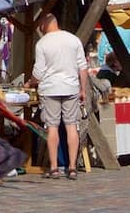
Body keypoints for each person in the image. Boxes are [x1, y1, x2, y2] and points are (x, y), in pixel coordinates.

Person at [30, 13, 89, 180]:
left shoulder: (42, 43)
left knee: (52, 127)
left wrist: (30, 82)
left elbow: (39, 72)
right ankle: (72, 167)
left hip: (50, 89)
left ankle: (54, 167)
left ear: (44, 24)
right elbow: (82, 67)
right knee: (72, 126)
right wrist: (82, 89)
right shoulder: (73, 40)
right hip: (71, 87)